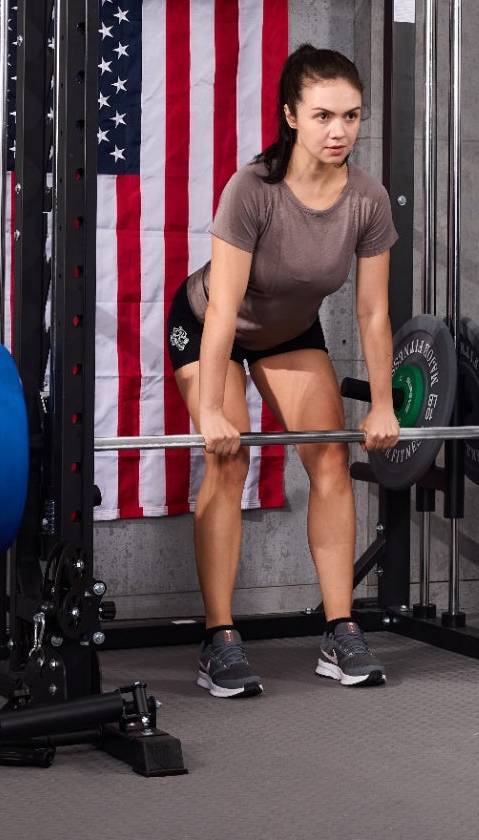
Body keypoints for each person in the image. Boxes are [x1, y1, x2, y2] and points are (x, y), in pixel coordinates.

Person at [168, 44, 401, 697]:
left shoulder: (368, 199)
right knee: (229, 459)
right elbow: (221, 314)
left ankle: (340, 628)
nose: (339, 131)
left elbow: (374, 313)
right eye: (324, 114)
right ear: (291, 114)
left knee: (329, 458)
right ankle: (220, 636)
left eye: (351, 116)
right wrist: (213, 408)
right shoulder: (253, 190)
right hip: (209, 322)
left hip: (288, 330)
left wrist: (382, 403)